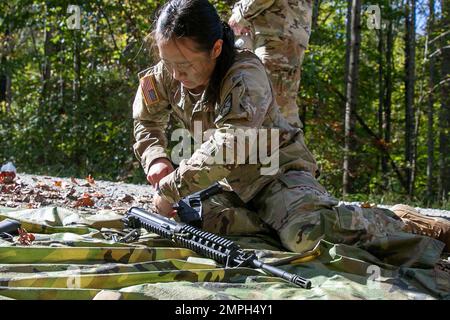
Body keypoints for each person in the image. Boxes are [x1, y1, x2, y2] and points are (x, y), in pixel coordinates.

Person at [133, 0, 449, 269]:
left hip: (278, 174)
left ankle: (403, 224)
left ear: (216, 49)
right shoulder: (168, 72)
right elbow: (145, 121)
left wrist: (172, 188)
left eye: (185, 65)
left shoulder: (246, 75)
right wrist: (157, 159)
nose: (175, 75)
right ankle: (281, 220)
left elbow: (230, 144)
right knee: (200, 226)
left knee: (307, 235)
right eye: (167, 63)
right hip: (229, 184)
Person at [228, 0, 313, 128]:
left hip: (276, 34)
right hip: (275, 32)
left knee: (272, 112)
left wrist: (240, 15)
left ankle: (283, 146)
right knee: (268, 109)